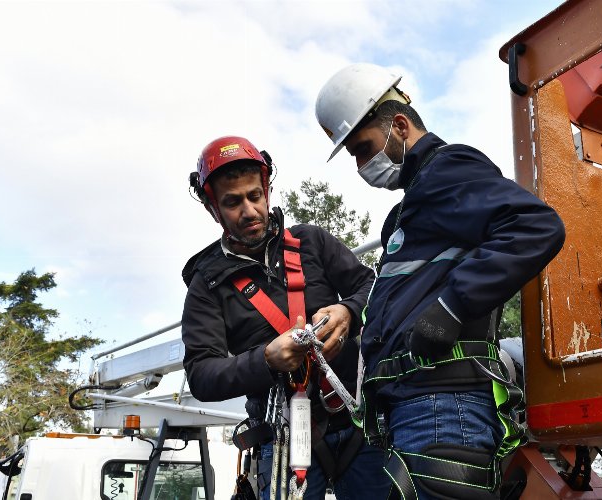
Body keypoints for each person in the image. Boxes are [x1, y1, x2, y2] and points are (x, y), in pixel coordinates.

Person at [315, 64, 566, 499]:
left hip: (443, 406)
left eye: (362, 149)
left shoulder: (447, 168)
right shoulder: (409, 209)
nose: (360, 165)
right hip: (418, 408)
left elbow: (535, 226)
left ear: (399, 125)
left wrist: (450, 308)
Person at [181, 135, 389, 499]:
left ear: (267, 192)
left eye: (254, 196)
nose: (249, 211)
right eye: (232, 203)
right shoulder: (208, 285)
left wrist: (349, 310)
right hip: (282, 441)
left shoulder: (312, 243)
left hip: (358, 428)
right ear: (212, 209)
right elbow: (201, 373)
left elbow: (372, 286)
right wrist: (264, 360)